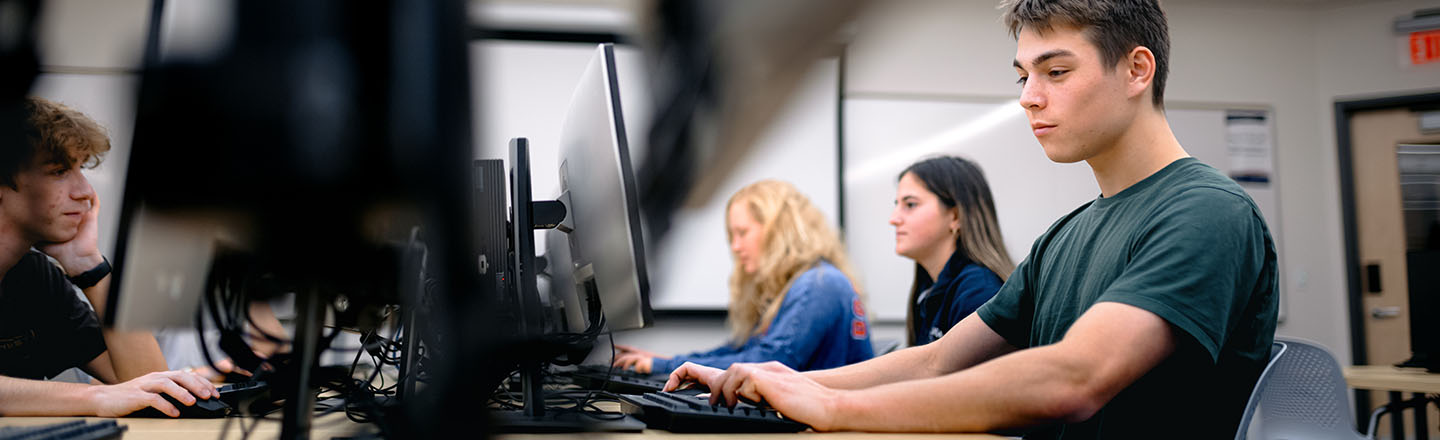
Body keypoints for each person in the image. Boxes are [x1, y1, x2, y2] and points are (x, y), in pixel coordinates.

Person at [663, 1, 1279, 437]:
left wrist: (829, 404)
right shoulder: (1066, 236)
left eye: (1056, 72)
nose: (1029, 96)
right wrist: (798, 379)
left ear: (1137, 70)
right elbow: (936, 359)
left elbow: (1076, 378)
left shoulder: (1206, 211)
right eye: (1024, 75)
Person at [0, 96, 218, 417]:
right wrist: (97, 397)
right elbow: (119, 392)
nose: (85, 191)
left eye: (80, 169)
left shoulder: (35, 277)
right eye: (60, 171)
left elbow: (147, 385)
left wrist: (89, 264)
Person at [613, 180, 873, 374]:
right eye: (731, 237)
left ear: (778, 231)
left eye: (742, 233)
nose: (735, 247)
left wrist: (664, 365)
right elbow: (740, 351)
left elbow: (767, 363)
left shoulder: (819, 284)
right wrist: (665, 363)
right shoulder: (800, 284)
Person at [892, 156, 1013, 347]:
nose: (894, 219)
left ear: (955, 216)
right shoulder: (927, 288)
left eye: (910, 205)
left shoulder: (979, 292)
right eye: (896, 204)